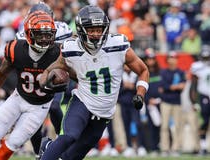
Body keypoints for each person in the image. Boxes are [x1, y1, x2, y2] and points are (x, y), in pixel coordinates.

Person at [38, 5, 149, 160]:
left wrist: (140, 94)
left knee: (73, 156)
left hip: (105, 111)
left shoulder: (118, 45)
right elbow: (56, 66)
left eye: (99, 29)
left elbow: (143, 70)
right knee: (69, 136)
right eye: (91, 30)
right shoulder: (71, 48)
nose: (96, 34)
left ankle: (48, 147)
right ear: (82, 30)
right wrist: (44, 78)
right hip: (82, 101)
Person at [0, 10, 64, 160]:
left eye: (48, 34)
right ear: (28, 33)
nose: (45, 39)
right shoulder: (16, 49)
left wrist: (64, 84)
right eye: (40, 34)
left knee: (11, 146)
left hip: (39, 107)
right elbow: (1, 73)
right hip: (18, 98)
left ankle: (45, 147)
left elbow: (75, 75)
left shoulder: (59, 52)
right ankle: (15, 124)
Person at [13, 2, 73, 158]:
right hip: (36, 76)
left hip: (56, 74)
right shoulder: (22, 34)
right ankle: (39, 151)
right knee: (34, 118)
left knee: (54, 107)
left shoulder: (63, 29)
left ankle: (64, 143)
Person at [159, 51, 186, 156]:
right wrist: (175, 87)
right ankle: (165, 149)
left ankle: (176, 148)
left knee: (178, 126)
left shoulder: (180, 72)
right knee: (164, 126)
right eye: (171, 57)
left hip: (177, 102)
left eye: (174, 58)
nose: (173, 60)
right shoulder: (164, 72)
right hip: (165, 102)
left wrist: (169, 87)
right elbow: (162, 87)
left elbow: (183, 86)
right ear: (168, 60)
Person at [190, 45, 210, 155]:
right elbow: (193, 85)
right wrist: (194, 102)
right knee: (204, 122)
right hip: (204, 96)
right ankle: (203, 146)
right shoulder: (197, 66)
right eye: (205, 57)